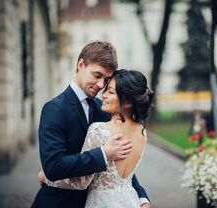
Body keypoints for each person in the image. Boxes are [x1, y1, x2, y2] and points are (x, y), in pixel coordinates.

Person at [31, 41, 150, 208]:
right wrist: (103, 153)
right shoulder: (54, 109)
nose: (101, 85)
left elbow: (117, 165)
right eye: (97, 75)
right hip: (60, 202)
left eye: (107, 79)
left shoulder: (103, 110)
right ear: (81, 65)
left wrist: (141, 197)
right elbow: (53, 166)